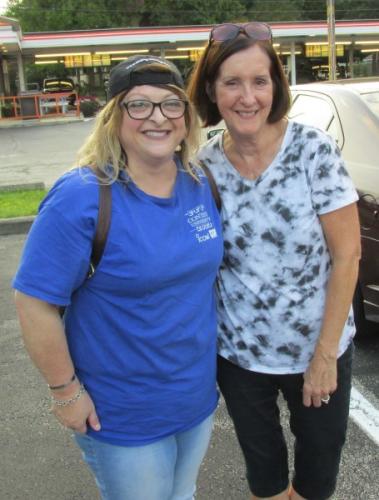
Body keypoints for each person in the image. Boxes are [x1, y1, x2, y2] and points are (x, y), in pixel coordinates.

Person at [13, 55, 223, 500]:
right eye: (139, 105)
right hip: (122, 413)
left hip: (195, 399)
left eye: (170, 105)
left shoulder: (200, 182)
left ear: (186, 119)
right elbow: (34, 302)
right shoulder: (82, 197)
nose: (157, 118)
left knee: (182, 494)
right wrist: (66, 392)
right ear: (114, 118)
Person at [188, 22, 361, 500]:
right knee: (265, 480)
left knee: (316, 477)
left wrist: (325, 355)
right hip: (241, 357)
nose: (248, 97)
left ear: (276, 87)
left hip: (318, 348)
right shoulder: (203, 166)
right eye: (232, 82)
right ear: (211, 90)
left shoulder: (313, 151)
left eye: (259, 81)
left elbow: (348, 256)